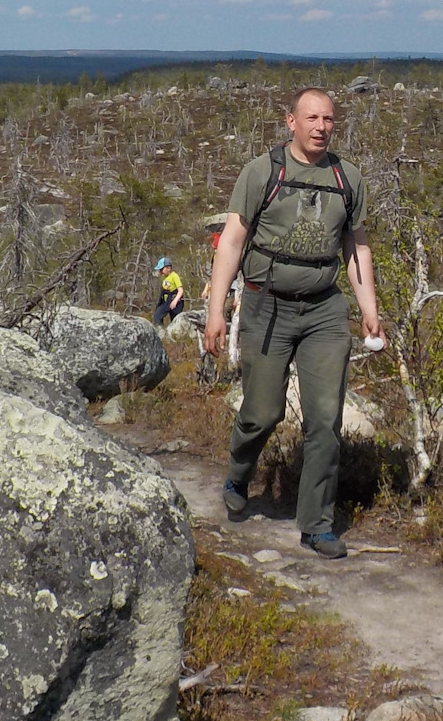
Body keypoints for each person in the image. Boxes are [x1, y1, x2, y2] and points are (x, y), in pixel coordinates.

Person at [203, 87, 383, 559]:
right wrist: (216, 310)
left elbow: (355, 246)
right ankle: (239, 473)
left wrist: (369, 306)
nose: (321, 127)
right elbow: (233, 241)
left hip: (324, 309)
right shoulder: (263, 171)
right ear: (291, 121)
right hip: (267, 306)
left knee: (325, 419)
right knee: (263, 412)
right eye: (312, 118)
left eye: (329, 119)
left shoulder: (348, 179)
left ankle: (317, 524)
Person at [153, 257, 186, 327]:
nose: (161, 271)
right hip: (166, 301)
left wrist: (175, 301)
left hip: (175, 302)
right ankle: (160, 331)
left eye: (162, 269)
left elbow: (180, 290)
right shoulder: (164, 277)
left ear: (168, 268)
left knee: (175, 320)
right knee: (157, 315)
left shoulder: (174, 276)